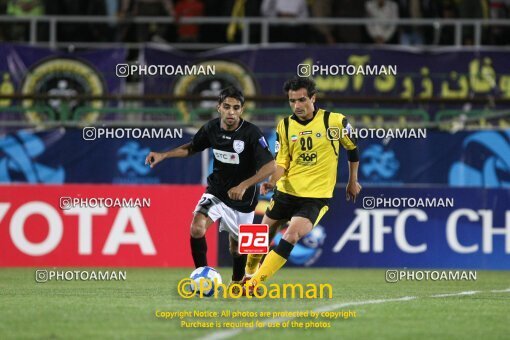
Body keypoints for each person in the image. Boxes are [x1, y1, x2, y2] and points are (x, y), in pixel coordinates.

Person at [145, 86, 275, 286]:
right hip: (217, 191)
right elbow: (191, 148)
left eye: (236, 107)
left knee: (237, 248)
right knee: (197, 228)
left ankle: (237, 282)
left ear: (242, 110)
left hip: (244, 199)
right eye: (226, 106)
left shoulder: (251, 133)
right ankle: (202, 278)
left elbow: (270, 166)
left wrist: (244, 185)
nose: (231, 111)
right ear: (219, 107)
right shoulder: (211, 128)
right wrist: (164, 155)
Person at [243, 77, 361, 291]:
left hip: (315, 197)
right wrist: (271, 181)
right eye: (292, 101)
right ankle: (248, 274)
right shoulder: (285, 125)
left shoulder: (334, 122)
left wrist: (353, 181)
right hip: (286, 191)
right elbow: (282, 161)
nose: (297, 105)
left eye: (302, 100)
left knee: (291, 235)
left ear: (313, 98)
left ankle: (254, 283)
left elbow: (352, 149)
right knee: (261, 236)